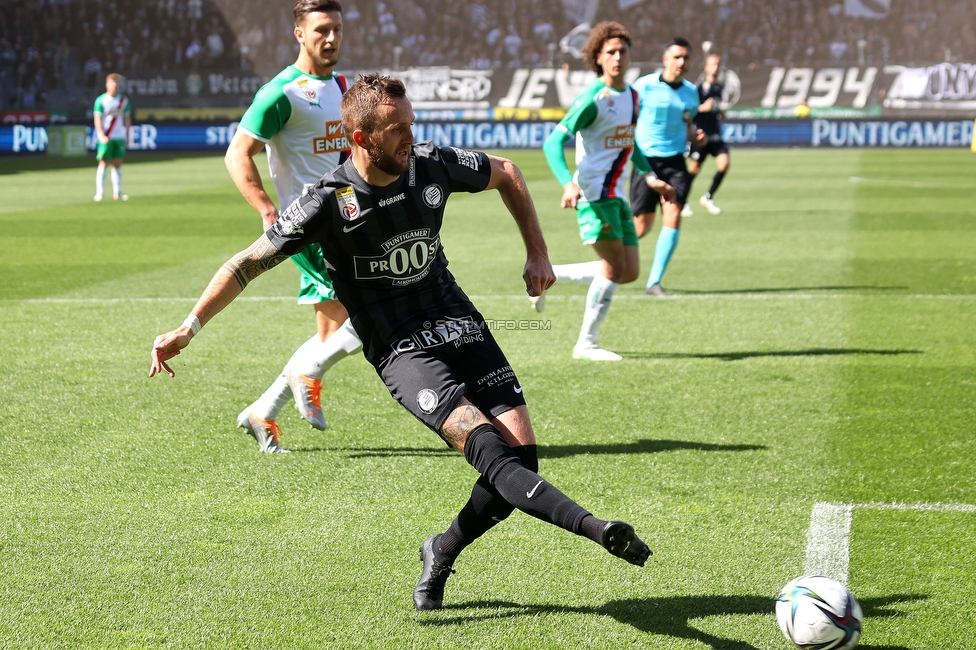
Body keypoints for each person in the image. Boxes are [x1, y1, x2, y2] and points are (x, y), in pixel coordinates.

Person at [150, 73, 651, 611]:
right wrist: (189, 326)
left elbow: (507, 172)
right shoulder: (327, 201)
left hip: (456, 316)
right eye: (397, 129)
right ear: (361, 137)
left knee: (523, 457)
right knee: (494, 456)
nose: (410, 137)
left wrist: (538, 253)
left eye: (411, 123)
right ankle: (596, 529)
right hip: (399, 344)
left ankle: (441, 548)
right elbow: (246, 264)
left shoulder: (430, 164)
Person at [224, 0, 363, 453]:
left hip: (346, 220)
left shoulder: (342, 85)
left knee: (333, 335)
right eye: (322, 29)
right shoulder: (280, 93)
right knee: (375, 316)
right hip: (308, 228)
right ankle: (299, 382)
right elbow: (237, 153)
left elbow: (341, 157)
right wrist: (267, 211)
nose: (332, 38)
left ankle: (263, 412)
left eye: (337, 29)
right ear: (299, 34)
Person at [540, 22, 675, 361]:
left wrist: (650, 175)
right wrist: (567, 183)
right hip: (593, 195)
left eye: (622, 51)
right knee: (614, 267)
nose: (617, 57)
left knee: (628, 271)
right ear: (597, 59)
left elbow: (631, 143)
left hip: (618, 196)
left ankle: (551, 274)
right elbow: (554, 141)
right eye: (610, 52)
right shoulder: (592, 100)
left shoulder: (632, 96)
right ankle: (586, 343)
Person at [631, 37, 705, 297]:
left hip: (675, 162)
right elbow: (628, 119)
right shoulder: (643, 86)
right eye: (677, 57)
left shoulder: (691, 92)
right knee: (641, 227)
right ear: (665, 59)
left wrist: (696, 136)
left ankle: (654, 282)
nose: (682, 62)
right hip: (645, 161)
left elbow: (689, 123)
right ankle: (607, 264)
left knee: (673, 216)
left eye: (686, 58)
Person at [688, 52, 730, 216]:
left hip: (715, 134)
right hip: (701, 136)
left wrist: (719, 112)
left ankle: (708, 197)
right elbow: (690, 110)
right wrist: (702, 108)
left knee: (724, 164)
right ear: (706, 67)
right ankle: (683, 201)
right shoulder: (697, 88)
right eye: (712, 64)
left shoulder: (719, 86)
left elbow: (715, 107)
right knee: (694, 169)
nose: (715, 67)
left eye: (718, 64)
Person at [92, 72, 131, 202]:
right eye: (112, 82)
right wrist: (101, 134)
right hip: (106, 137)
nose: (115, 85)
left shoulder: (123, 101)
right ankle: (100, 193)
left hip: (118, 136)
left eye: (117, 83)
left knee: (118, 163)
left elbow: (127, 119)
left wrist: (128, 135)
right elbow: (97, 119)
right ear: (107, 84)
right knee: (103, 163)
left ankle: (117, 192)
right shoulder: (101, 100)